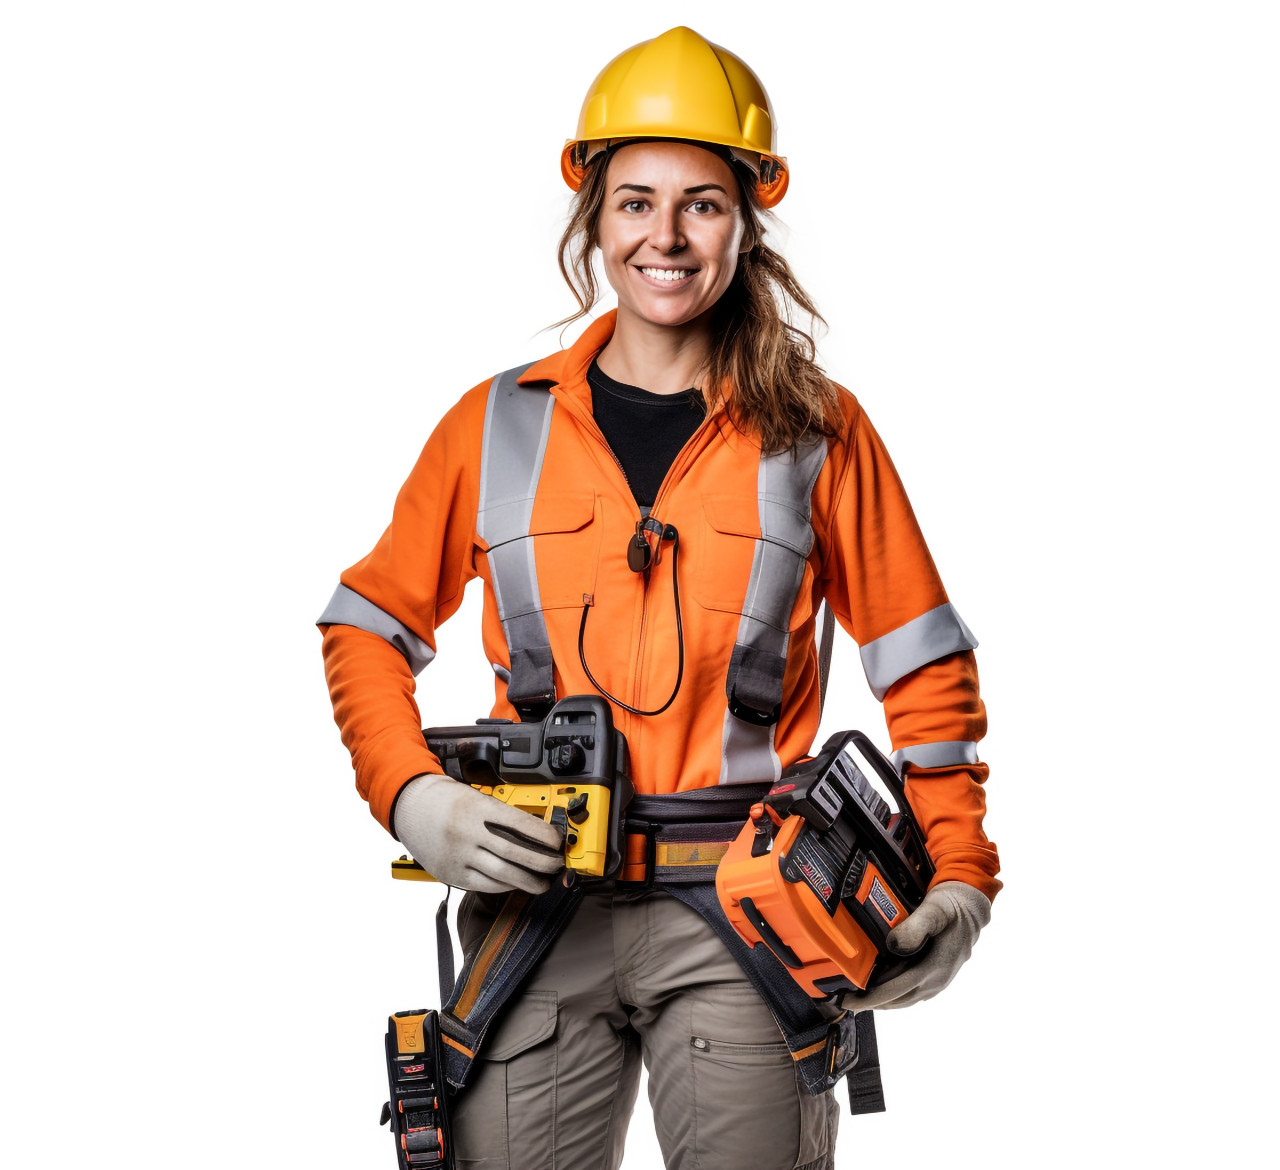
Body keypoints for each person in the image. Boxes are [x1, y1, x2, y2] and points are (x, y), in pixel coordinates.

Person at [318, 26, 1000, 1170]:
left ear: (745, 223)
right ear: (591, 218)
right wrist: (412, 798)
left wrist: (961, 876)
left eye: (702, 204)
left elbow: (923, 668)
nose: (665, 237)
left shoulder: (819, 434)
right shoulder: (496, 428)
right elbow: (364, 627)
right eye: (634, 203)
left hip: (750, 917)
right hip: (536, 910)